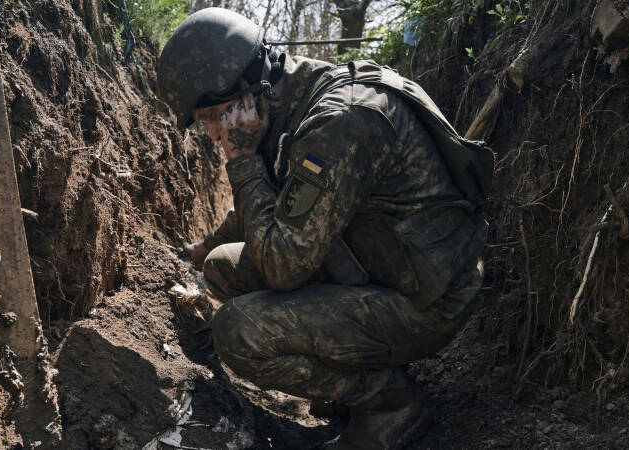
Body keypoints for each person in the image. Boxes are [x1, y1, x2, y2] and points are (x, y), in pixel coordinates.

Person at [157, 8, 489, 449]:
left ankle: (391, 404)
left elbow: (282, 268)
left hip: (427, 299)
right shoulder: (288, 101)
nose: (217, 134)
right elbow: (277, 203)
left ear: (244, 89)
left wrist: (241, 161)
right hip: (381, 267)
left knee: (238, 331)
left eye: (214, 117)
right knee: (222, 266)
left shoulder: (337, 122)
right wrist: (203, 248)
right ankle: (351, 373)